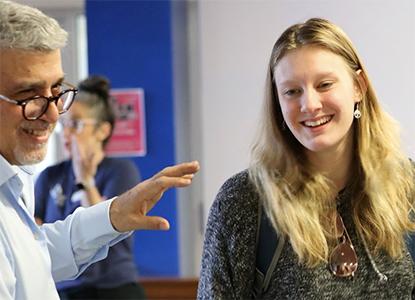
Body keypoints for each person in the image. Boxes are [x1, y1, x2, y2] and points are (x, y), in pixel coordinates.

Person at [197, 18, 415, 299]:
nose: (309, 104)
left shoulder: (407, 187)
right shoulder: (244, 200)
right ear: (278, 103)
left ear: (358, 86)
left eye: (324, 84)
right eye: (292, 91)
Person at [0, 1, 199, 299]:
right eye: (29, 96)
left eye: (56, 92)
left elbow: (33, 254)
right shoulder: (44, 176)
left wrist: (113, 214)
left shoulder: (15, 180)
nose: (54, 116)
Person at [35, 75, 146, 299]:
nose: (67, 133)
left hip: (112, 289)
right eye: (64, 124)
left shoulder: (121, 171)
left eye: (76, 124)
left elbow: (106, 229)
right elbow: (35, 238)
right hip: (64, 289)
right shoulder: (49, 176)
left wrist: (85, 180)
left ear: (103, 131)